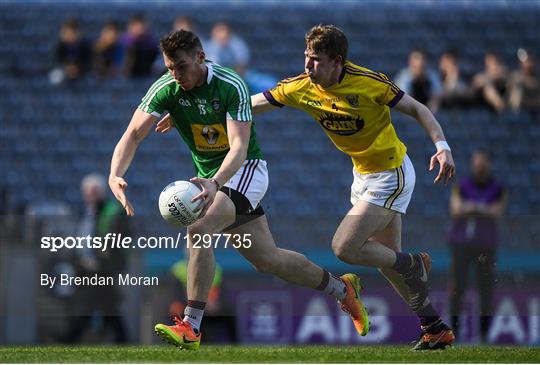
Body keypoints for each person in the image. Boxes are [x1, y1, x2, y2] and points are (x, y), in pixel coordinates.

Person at [157, 25, 457, 350]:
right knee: (386, 262)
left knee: (345, 247)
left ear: (337, 62)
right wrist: (200, 114)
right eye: (306, 57)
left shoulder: (369, 83)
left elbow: (417, 108)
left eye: (315, 60)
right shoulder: (302, 86)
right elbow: (252, 104)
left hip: (392, 173)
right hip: (363, 176)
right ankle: (434, 326)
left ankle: (414, 264)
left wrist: (441, 146)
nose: (307, 66)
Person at [109, 29, 369, 350]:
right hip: (210, 180)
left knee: (199, 229)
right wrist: (115, 174)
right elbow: (133, 134)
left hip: (246, 172)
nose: (175, 74)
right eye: (169, 68)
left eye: (181, 66)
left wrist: (215, 183)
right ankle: (342, 290)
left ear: (201, 58)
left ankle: (191, 325)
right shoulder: (168, 88)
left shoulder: (230, 84)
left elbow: (239, 148)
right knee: (268, 260)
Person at [62, 173, 128, 343]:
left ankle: (70, 338)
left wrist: (105, 257)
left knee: (91, 306)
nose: (92, 195)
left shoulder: (111, 211)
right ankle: (120, 339)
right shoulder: (85, 212)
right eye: (89, 191)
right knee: (105, 307)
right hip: (85, 268)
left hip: (101, 269)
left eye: (95, 191)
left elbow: (118, 236)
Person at [448, 150, 506, 343]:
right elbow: (456, 210)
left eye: (483, 164)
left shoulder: (498, 188)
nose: (480, 168)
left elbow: (497, 213)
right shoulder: (461, 186)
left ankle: (484, 335)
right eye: (477, 164)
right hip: (462, 246)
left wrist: (471, 207)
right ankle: (453, 333)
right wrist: (483, 209)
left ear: (488, 165)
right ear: (473, 166)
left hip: (486, 247)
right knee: (458, 289)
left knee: (486, 291)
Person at [50, 18, 91, 83]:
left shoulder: (84, 46)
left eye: (71, 33)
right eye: (66, 33)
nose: (69, 35)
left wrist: (77, 68)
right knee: (56, 76)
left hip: (81, 73)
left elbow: (88, 62)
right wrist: (66, 67)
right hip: (64, 72)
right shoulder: (60, 47)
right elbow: (56, 61)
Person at [509, 49, 540, 117]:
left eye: (529, 61)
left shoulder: (537, 77)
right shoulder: (516, 76)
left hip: (536, 108)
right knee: (518, 88)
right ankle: (515, 117)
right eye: (525, 62)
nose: (527, 64)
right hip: (521, 109)